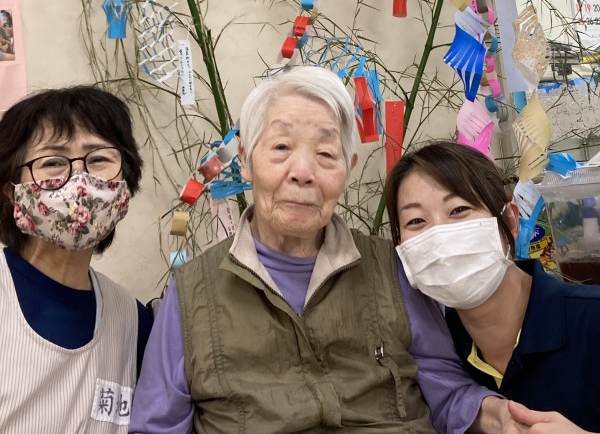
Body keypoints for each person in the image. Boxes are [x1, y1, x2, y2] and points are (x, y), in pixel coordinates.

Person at [130, 66, 517, 434]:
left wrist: (500, 417)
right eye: (281, 147)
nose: (302, 172)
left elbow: (447, 393)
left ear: (347, 168)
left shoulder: (392, 268)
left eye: (326, 155)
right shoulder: (192, 291)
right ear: (245, 161)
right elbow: (157, 424)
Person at [386, 140, 600, 433]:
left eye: (459, 210)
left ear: (510, 219)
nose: (439, 235)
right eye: (416, 221)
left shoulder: (591, 321)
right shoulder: (437, 361)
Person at [0, 85, 153, 433]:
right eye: (53, 162)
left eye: (98, 159)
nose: (80, 181)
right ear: (11, 192)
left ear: (125, 184)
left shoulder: (133, 321)